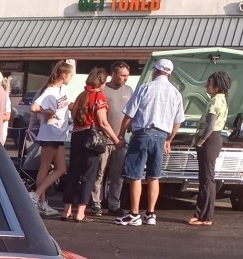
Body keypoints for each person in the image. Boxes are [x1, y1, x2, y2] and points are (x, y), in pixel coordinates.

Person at [115, 57, 185, 226]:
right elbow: (178, 122)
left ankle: (134, 214)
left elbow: (129, 115)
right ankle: (151, 213)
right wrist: (169, 140)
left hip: (142, 134)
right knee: (154, 176)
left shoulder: (145, 88)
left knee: (135, 176)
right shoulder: (176, 93)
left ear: (156, 70)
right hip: (161, 137)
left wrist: (121, 134)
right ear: (169, 74)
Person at [62, 70, 120, 222]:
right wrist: (116, 139)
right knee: (89, 175)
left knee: (73, 173)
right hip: (91, 136)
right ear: (101, 82)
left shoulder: (81, 96)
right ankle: (80, 212)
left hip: (76, 135)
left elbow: (74, 113)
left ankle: (66, 210)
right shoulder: (98, 97)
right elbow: (102, 122)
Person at [30, 60, 75, 217]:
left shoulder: (63, 89)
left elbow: (68, 105)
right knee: (45, 166)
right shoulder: (50, 91)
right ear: (63, 75)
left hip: (59, 133)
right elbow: (34, 107)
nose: (72, 78)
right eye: (70, 75)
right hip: (49, 133)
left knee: (61, 168)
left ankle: (39, 199)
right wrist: (47, 111)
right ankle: (37, 198)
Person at [190, 71, 231, 226]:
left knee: (207, 179)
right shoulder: (221, 99)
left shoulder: (215, 102)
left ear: (217, 86)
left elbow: (210, 126)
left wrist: (200, 142)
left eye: (209, 83)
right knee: (206, 178)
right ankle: (202, 214)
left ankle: (205, 216)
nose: (207, 86)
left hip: (210, 139)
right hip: (215, 138)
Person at [94, 61, 133, 216]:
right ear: (114, 74)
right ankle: (96, 203)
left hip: (122, 140)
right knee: (100, 173)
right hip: (104, 139)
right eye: (122, 75)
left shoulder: (129, 90)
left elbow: (132, 113)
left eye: (127, 76)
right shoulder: (103, 89)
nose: (125, 79)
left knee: (117, 175)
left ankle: (114, 204)